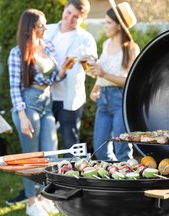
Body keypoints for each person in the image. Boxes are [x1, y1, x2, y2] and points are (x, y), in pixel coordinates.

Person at [8, 9, 74, 216]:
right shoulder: (17, 53)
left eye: (45, 24)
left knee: (50, 153)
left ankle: (46, 198)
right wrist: (22, 115)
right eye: (41, 26)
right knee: (30, 157)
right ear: (30, 29)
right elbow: (14, 87)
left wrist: (63, 70)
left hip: (46, 101)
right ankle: (31, 201)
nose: (46, 28)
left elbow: (52, 78)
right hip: (28, 103)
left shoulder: (48, 46)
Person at [89, 1, 140, 161]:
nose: (105, 26)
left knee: (122, 149)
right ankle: (114, 177)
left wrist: (103, 73)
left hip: (120, 101)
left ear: (119, 25)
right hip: (103, 101)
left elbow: (129, 81)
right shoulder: (106, 44)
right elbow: (102, 71)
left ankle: (127, 182)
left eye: (109, 23)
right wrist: (95, 88)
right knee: (100, 150)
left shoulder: (132, 48)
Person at [45, 0, 97, 153]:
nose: (70, 18)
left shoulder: (86, 39)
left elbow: (92, 71)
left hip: (70, 98)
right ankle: (47, 175)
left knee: (71, 143)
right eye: (68, 13)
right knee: (47, 142)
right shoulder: (48, 30)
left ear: (83, 18)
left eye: (76, 17)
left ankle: (73, 174)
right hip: (47, 94)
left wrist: (88, 63)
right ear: (65, 8)